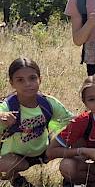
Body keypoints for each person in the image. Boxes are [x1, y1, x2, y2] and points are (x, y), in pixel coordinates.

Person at [0, 58, 74, 187]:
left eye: (32, 78)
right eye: (20, 80)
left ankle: (71, 177)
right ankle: (17, 180)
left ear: (40, 79)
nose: (28, 84)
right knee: (3, 167)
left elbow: (72, 121)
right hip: (17, 155)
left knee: (78, 140)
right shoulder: (7, 106)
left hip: (46, 150)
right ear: (12, 83)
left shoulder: (48, 103)